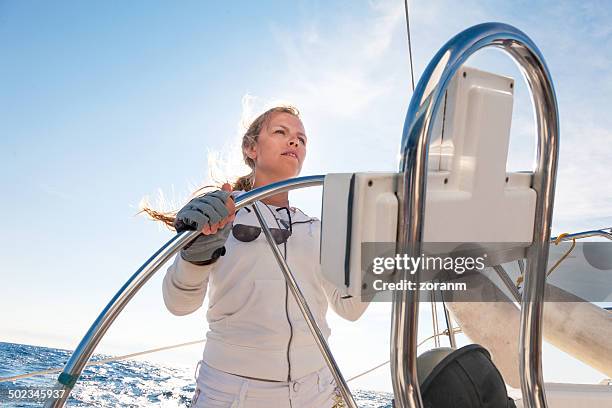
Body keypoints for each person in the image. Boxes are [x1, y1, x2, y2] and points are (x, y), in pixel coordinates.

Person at [145, 106, 368, 407]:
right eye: (281, 132)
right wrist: (195, 257)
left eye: (302, 139)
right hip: (233, 394)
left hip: (317, 390)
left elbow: (350, 308)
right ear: (251, 148)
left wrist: (379, 254)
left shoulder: (316, 229)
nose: (295, 143)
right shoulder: (219, 213)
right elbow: (179, 304)